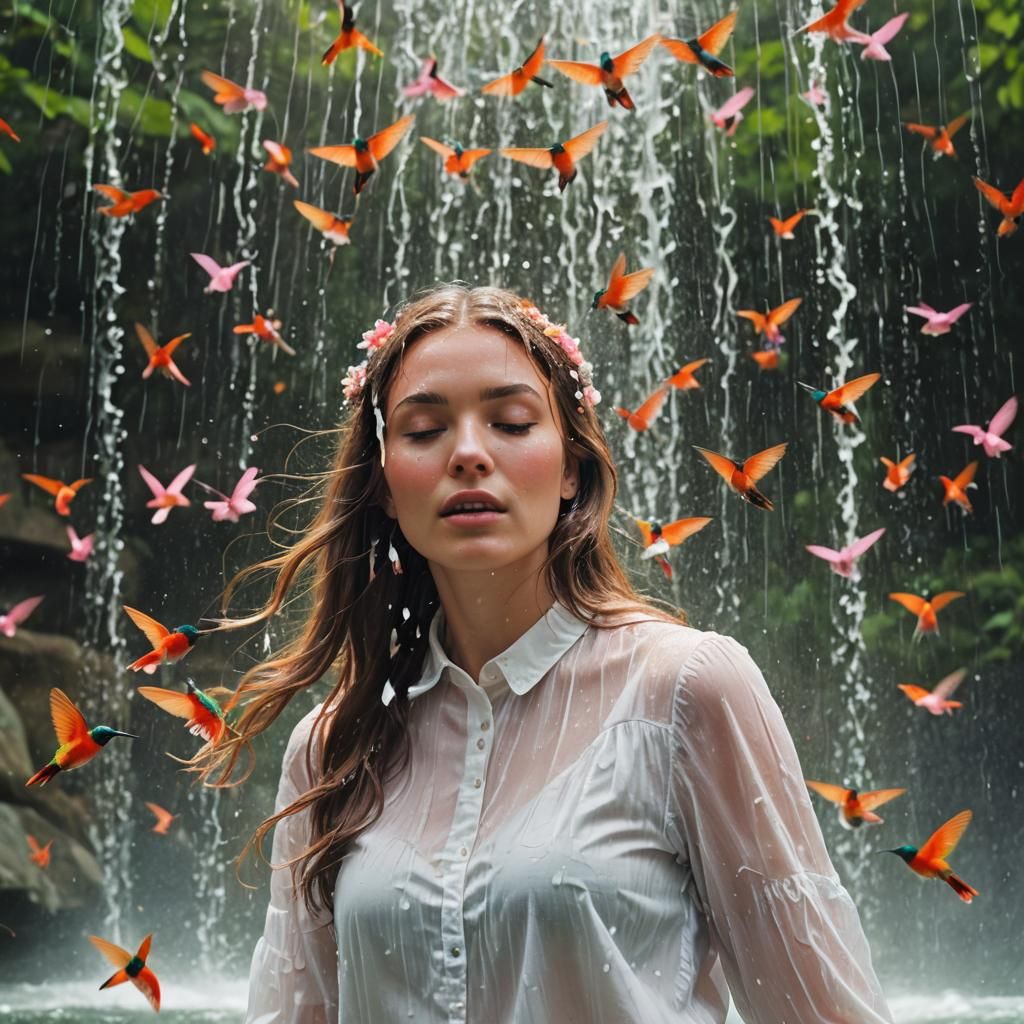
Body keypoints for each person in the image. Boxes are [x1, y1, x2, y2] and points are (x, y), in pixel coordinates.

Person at [198, 284, 893, 1023]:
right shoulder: (331, 747)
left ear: (571, 467)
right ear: (385, 489)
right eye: (425, 430)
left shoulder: (684, 691)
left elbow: (822, 1009)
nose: (469, 454)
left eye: (512, 421)